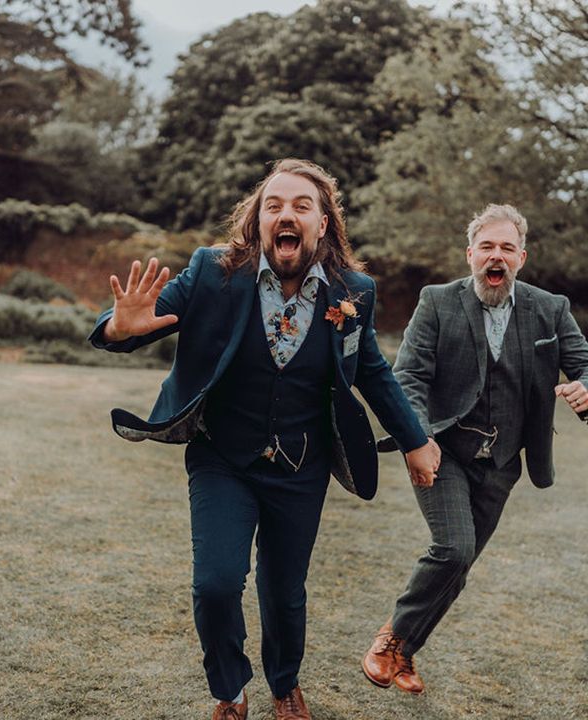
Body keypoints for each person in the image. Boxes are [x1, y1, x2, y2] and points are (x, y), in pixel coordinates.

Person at [89, 158, 439, 720]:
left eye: (302, 206)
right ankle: (230, 692)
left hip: (302, 466)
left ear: (323, 223)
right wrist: (117, 326)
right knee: (216, 584)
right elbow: (145, 320)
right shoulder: (212, 272)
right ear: (257, 221)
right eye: (273, 205)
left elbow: (371, 370)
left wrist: (415, 440)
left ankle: (284, 684)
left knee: (284, 592)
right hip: (223, 457)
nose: (286, 214)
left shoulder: (354, 292)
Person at [361, 203, 588, 695]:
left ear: (522, 257)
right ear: (470, 254)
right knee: (454, 548)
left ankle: (405, 652)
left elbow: (585, 364)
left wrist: (585, 387)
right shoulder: (437, 301)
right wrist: (419, 439)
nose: (496, 256)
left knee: (459, 565)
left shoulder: (550, 309)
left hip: (503, 464)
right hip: (441, 450)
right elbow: (410, 376)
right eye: (487, 246)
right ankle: (390, 640)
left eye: (507, 247)